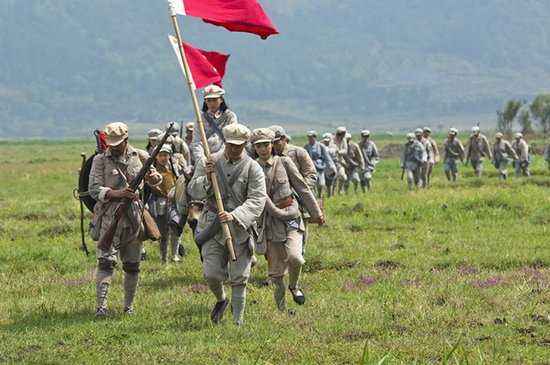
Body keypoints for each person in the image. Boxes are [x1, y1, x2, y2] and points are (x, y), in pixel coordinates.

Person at [188, 123, 266, 326]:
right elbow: (194, 191)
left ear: (245, 145)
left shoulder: (253, 168)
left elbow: (257, 200)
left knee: (240, 278)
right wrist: (207, 176)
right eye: (231, 145)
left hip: (239, 229)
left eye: (239, 146)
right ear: (225, 142)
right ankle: (221, 299)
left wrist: (235, 215)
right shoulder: (209, 161)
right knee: (211, 274)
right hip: (212, 226)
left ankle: (237, 322)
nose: (234, 149)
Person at [89, 122, 162, 317]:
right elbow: (94, 189)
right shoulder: (99, 161)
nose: (113, 147)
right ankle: (101, 307)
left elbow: (156, 179)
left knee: (132, 264)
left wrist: (153, 178)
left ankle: (128, 306)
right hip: (109, 216)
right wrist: (117, 193)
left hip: (134, 217)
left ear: (126, 140)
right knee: (105, 262)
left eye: (117, 143)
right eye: (111, 143)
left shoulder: (141, 156)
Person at [251, 128, 324, 311]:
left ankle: (294, 285)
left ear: (272, 145)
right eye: (258, 146)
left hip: (291, 216)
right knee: (276, 276)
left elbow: (302, 187)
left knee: (296, 258)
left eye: (266, 144)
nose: (263, 149)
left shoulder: (285, 162)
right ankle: (281, 311)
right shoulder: (251, 168)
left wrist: (316, 213)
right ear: (254, 148)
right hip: (269, 222)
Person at [148, 144, 186, 263]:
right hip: (160, 204)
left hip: (174, 203)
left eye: (166, 155)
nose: (163, 158)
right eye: (161, 155)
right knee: (163, 233)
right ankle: (163, 258)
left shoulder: (174, 169)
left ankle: (174, 255)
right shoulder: (152, 171)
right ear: (156, 157)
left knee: (176, 229)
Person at [190, 85, 238, 163]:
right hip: (204, 159)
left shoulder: (230, 116)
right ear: (205, 101)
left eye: (215, 100)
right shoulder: (200, 118)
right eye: (209, 100)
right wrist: (201, 159)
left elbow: (230, 139)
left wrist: (217, 156)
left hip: (225, 158)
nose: (212, 103)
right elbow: (196, 141)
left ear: (221, 100)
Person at [304, 130, 335, 197]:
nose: (310, 138)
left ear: (315, 137)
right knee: (312, 184)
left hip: (320, 166)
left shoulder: (321, 146)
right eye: (309, 137)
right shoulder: (306, 147)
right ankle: (315, 197)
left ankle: (320, 195)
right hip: (310, 168)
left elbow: (327, 157)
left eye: (311, 137)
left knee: (321, 184)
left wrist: (331, 166)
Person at [332, 127, 349, 194]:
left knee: (343, 177)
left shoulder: (344, 140)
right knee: (334, 178)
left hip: (340, 161)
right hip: (332, 162)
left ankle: (339, 190)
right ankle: (332, 192)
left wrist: (339, 152)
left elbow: (345, 150)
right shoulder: (332, 139)